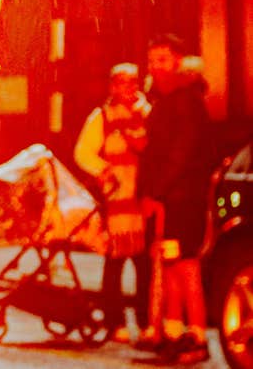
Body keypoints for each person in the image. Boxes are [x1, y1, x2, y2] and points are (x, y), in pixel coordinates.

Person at [138, 34, 215, 364]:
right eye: (153, 60)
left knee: (186, 269)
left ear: (178, 61)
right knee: (170, 269)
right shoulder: (167, 99)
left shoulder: (184, 101)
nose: (157, 67)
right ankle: (174, 335)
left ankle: (196, 339)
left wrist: (155, 193)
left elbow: (179, 154)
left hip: (182, 200)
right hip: (171, 199)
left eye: (164, 60)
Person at [73, 63, 151, 343]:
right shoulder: (101, 117)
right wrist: (104, 171)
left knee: (145, 265)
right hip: (117, 198)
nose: (127, 88)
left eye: (132, 82)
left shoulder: (147, 113)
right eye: (120, 82)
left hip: (142, 196)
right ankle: (115, 321)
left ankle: (145, 322)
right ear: (112, 86)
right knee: (115, 261)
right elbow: (83, 152)